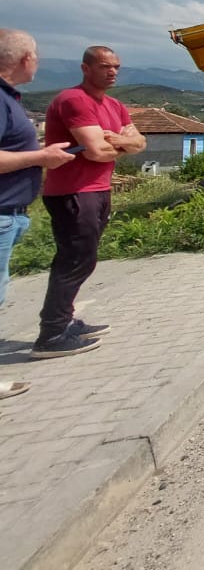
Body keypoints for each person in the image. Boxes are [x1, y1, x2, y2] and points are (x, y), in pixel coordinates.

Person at [33, 46, 147, 359]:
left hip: (97, 189)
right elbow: (97, 150)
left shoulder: (114, 104)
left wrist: (118, 140)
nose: (112, 72)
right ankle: (52, 333)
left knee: (84, 258)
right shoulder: (73, 100)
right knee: (75, 260)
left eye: (116, 67)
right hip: (72, 191)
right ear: (85, 68)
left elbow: (140, 143)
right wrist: (116, 143)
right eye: (104, 66)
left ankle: (65, 320)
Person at [0, 31, 77, 395]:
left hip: (11, 211)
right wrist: (40, 158)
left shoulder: (9, 99)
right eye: (36, 54)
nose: (38, 61)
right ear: (24, 59)